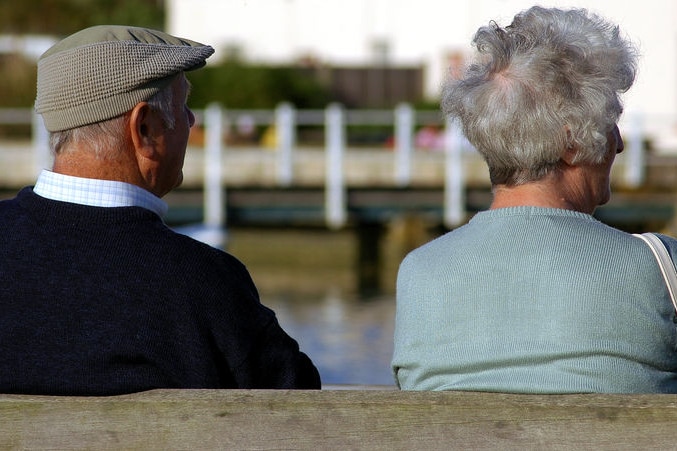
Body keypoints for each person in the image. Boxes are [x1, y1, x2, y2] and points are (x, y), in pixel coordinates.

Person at [0, 25, 320, 395]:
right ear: (145, 128)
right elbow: (301, 413)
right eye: (184, 106)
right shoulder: (204, 284)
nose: (191, 121)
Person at [392, 6, 677, 393]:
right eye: (609, 123)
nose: (620, 143)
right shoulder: (659, 269)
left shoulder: (418, 274)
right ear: (573, 144)